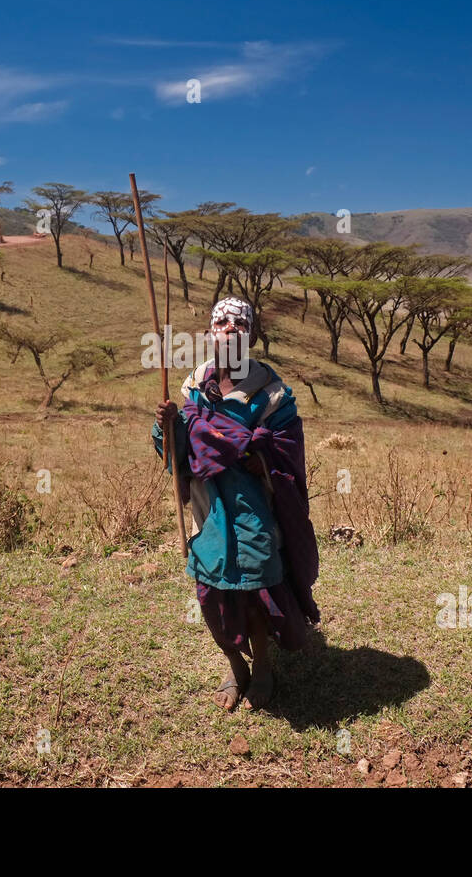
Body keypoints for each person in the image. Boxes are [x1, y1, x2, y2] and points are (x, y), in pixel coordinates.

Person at [152, 297, 320, 711]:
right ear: (210, 333)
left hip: (255, 509)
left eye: (239, 324)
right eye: (221, 323)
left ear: (251, 335)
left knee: (256, 588)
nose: (229, 329)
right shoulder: (194, 387)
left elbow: (285, 452)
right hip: (209, 508)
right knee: (210, 592)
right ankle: (235, 665)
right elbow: (178, 453)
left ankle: (262, 667)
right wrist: (167, 427)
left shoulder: (273, 394)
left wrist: (248, 451)